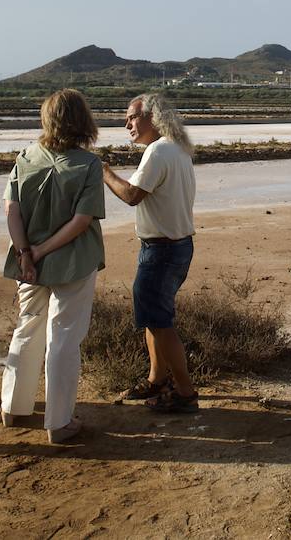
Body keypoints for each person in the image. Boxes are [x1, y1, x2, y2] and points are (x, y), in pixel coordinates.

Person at [0, 89, 107, 443]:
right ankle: (58, 422)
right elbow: (81, 221)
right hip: (72, 261)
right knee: (63, 336)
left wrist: (25, 253)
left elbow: (11, 209)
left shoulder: (26, 156)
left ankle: (13, 408)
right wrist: (42, 250)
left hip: (27, 260)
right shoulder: (89, 165)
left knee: (28, 326)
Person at [102, 93, 199, 414]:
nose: (126, 123)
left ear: (152, 118)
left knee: (159, 322)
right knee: (154, 318)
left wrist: (104, 172)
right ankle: (157, 379)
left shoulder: (158, 152)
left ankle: (185, 391)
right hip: (177, 245)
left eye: (132, 117)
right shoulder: (178, 150)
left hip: (162, 250)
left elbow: (131, 195)